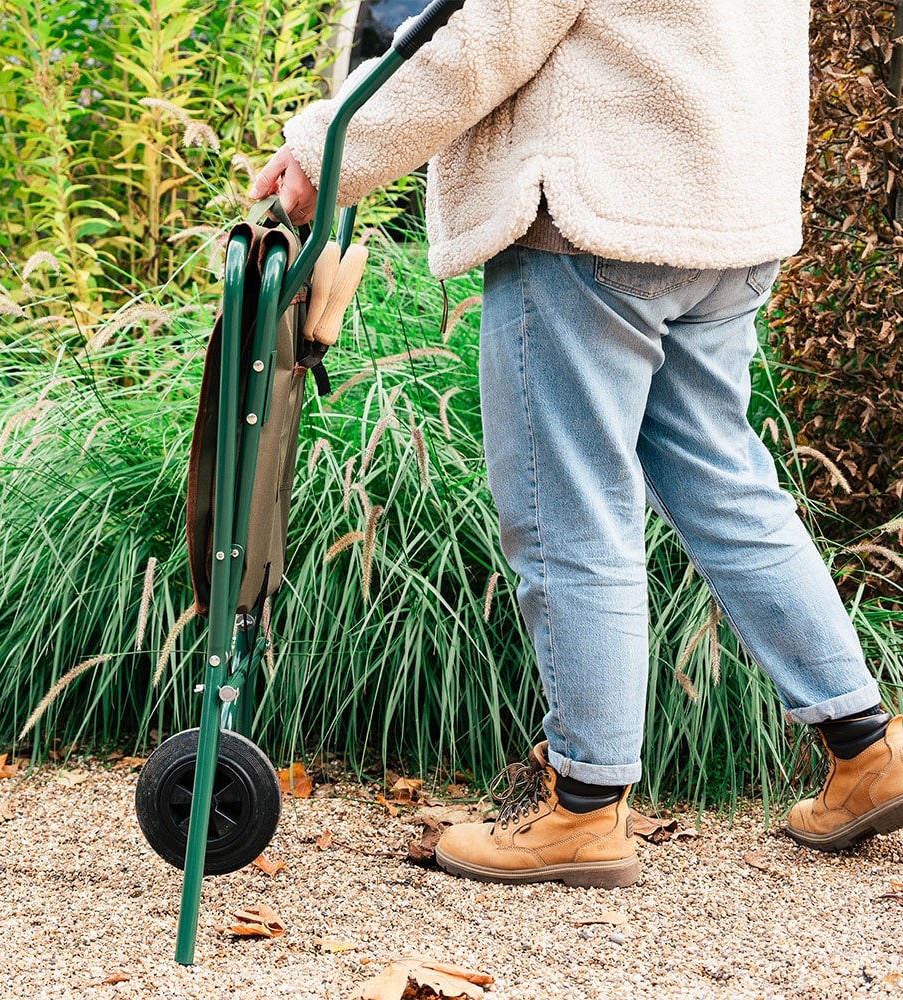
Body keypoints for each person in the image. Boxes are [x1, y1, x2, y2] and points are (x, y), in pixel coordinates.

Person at [249, 0, 903, 887]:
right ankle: (867, 750)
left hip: (598, 215)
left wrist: (331, 151)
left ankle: (584, 809)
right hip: (726, 212)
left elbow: (487, 35)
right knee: (725, 482)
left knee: (568, 509)